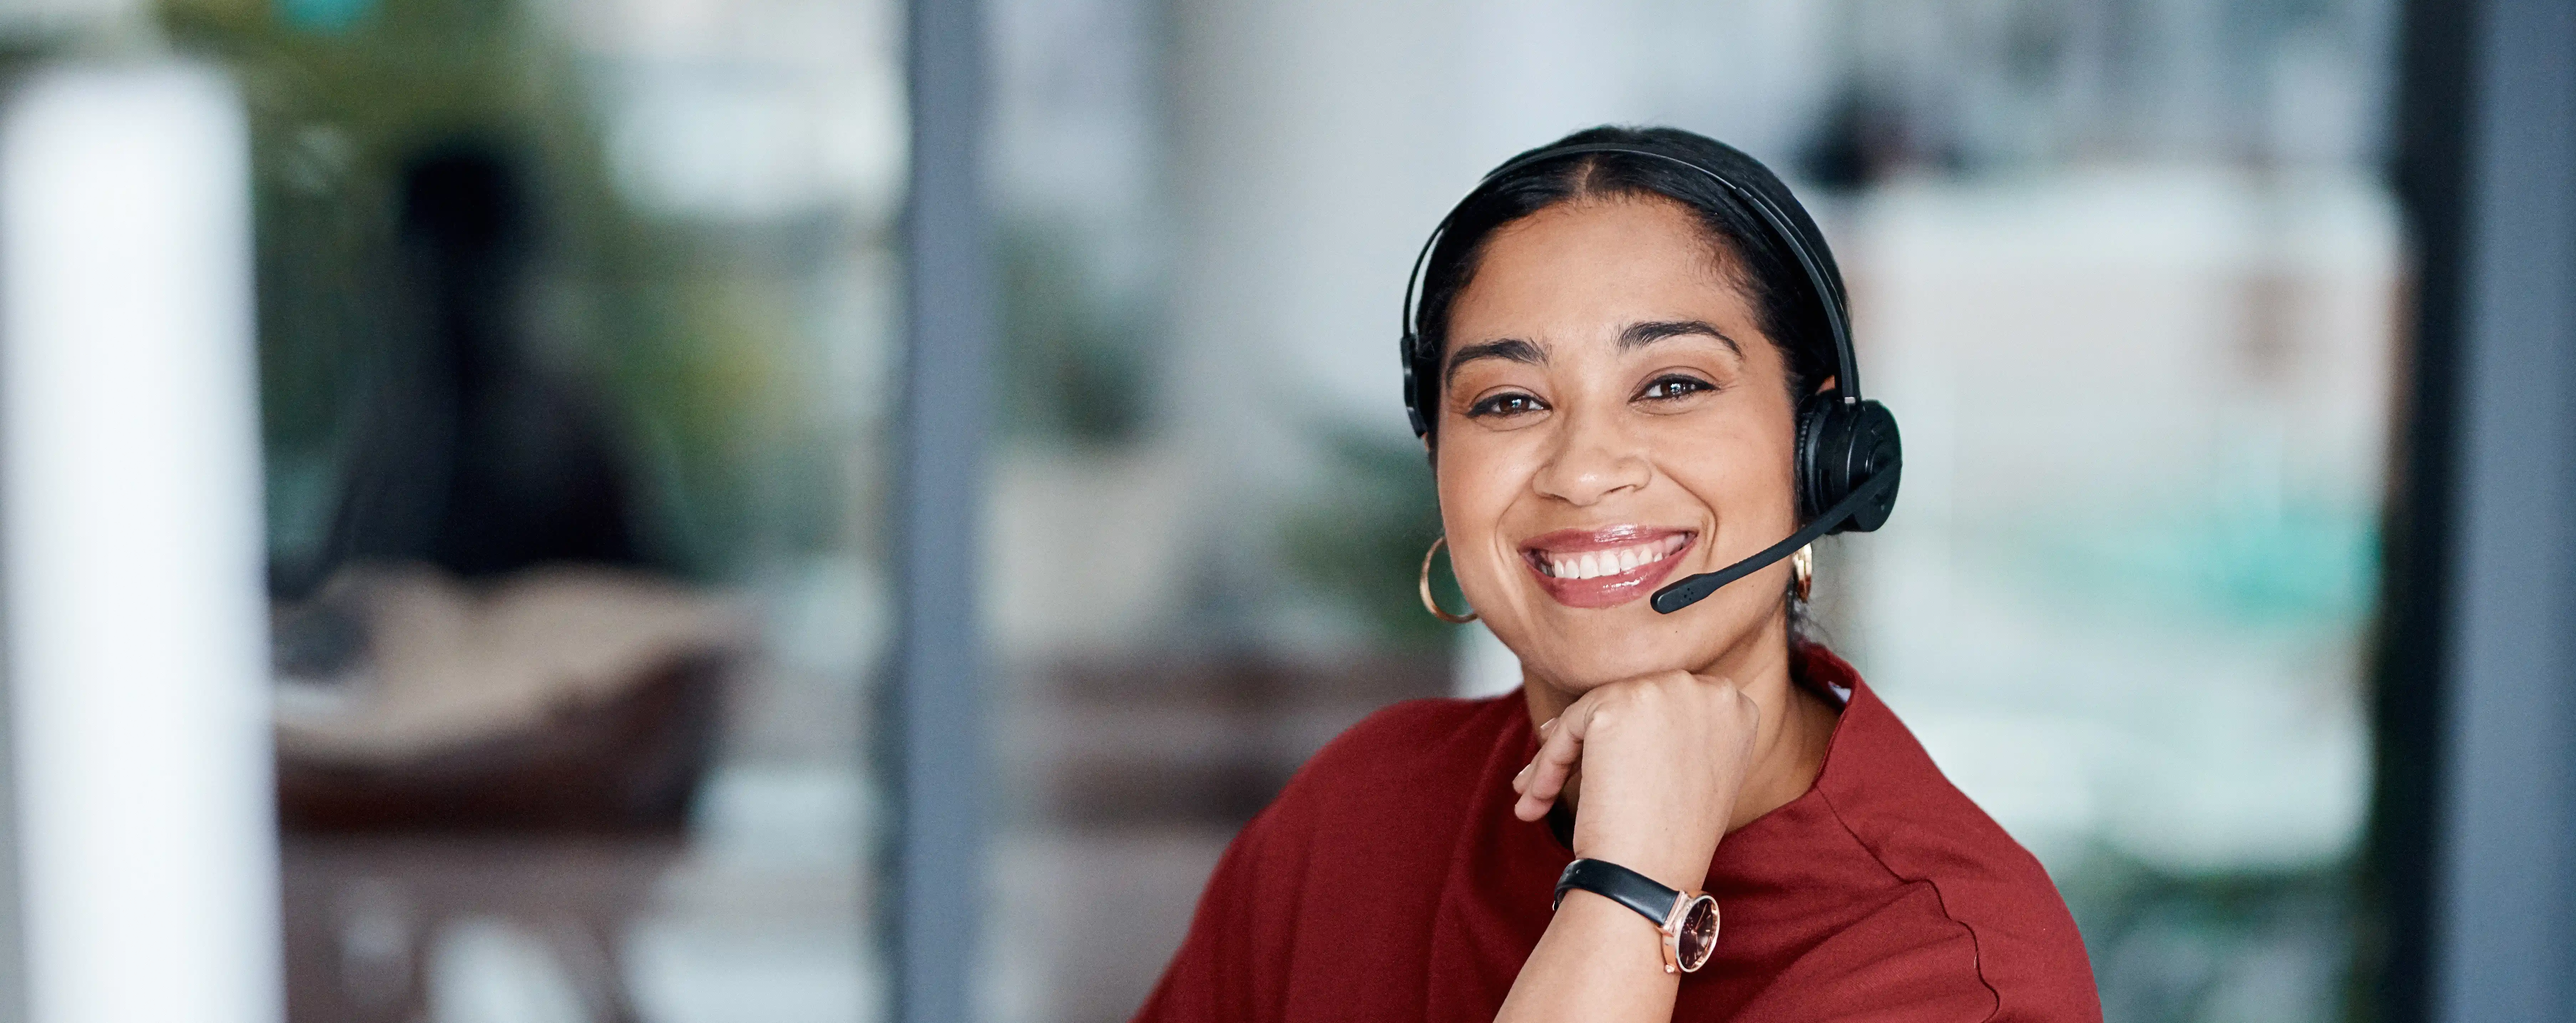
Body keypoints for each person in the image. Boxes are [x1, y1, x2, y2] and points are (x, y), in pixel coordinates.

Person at [1133, 126, 2100, 1022]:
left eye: (1673, 385)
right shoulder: (1362, 815)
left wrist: (1629, 887)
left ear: (1823, 454)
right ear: (1439, 462)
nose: (1585, 470)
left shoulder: (1952, 967)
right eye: (1510, 401)